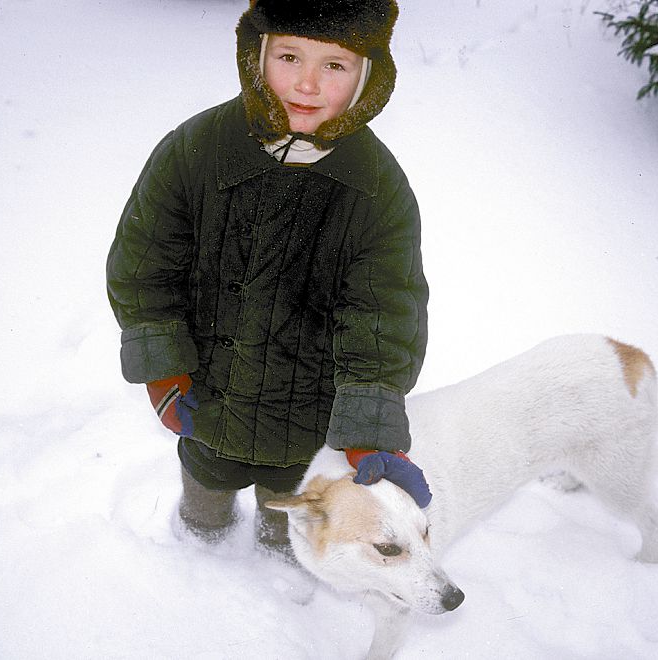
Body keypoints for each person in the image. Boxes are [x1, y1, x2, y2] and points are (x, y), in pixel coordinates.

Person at [106, 0, 429, 558]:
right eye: (289, 56)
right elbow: (144, 264)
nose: (307, 84)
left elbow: (382, 310)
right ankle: (201, 538)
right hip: (205, 396)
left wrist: (368, 423)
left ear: (367, 77)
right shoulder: (195, 149)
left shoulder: (378, 186)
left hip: (307, 414)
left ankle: (279, 554)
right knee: (206, 482)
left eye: (335, 65)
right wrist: (162, 370)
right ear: (256, 55)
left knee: (289, 506)